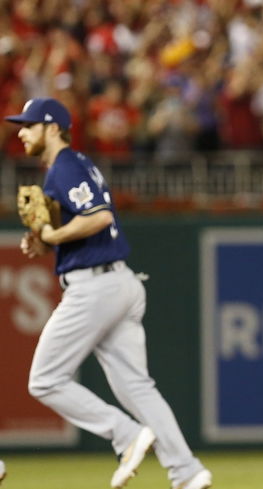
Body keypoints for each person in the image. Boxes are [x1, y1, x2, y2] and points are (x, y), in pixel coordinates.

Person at [5, 97, 212, 489]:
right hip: (119, 282)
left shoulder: (64, 166)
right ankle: (187, 471)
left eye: (29, 125)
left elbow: (98, 217)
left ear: (52, 128)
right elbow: (88, 222)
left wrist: (53, 234)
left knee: (45, 380)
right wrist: (50, 243)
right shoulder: (75, 165)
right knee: (138, 387)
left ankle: (125, 434)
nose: (22, 132)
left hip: (94, 287)